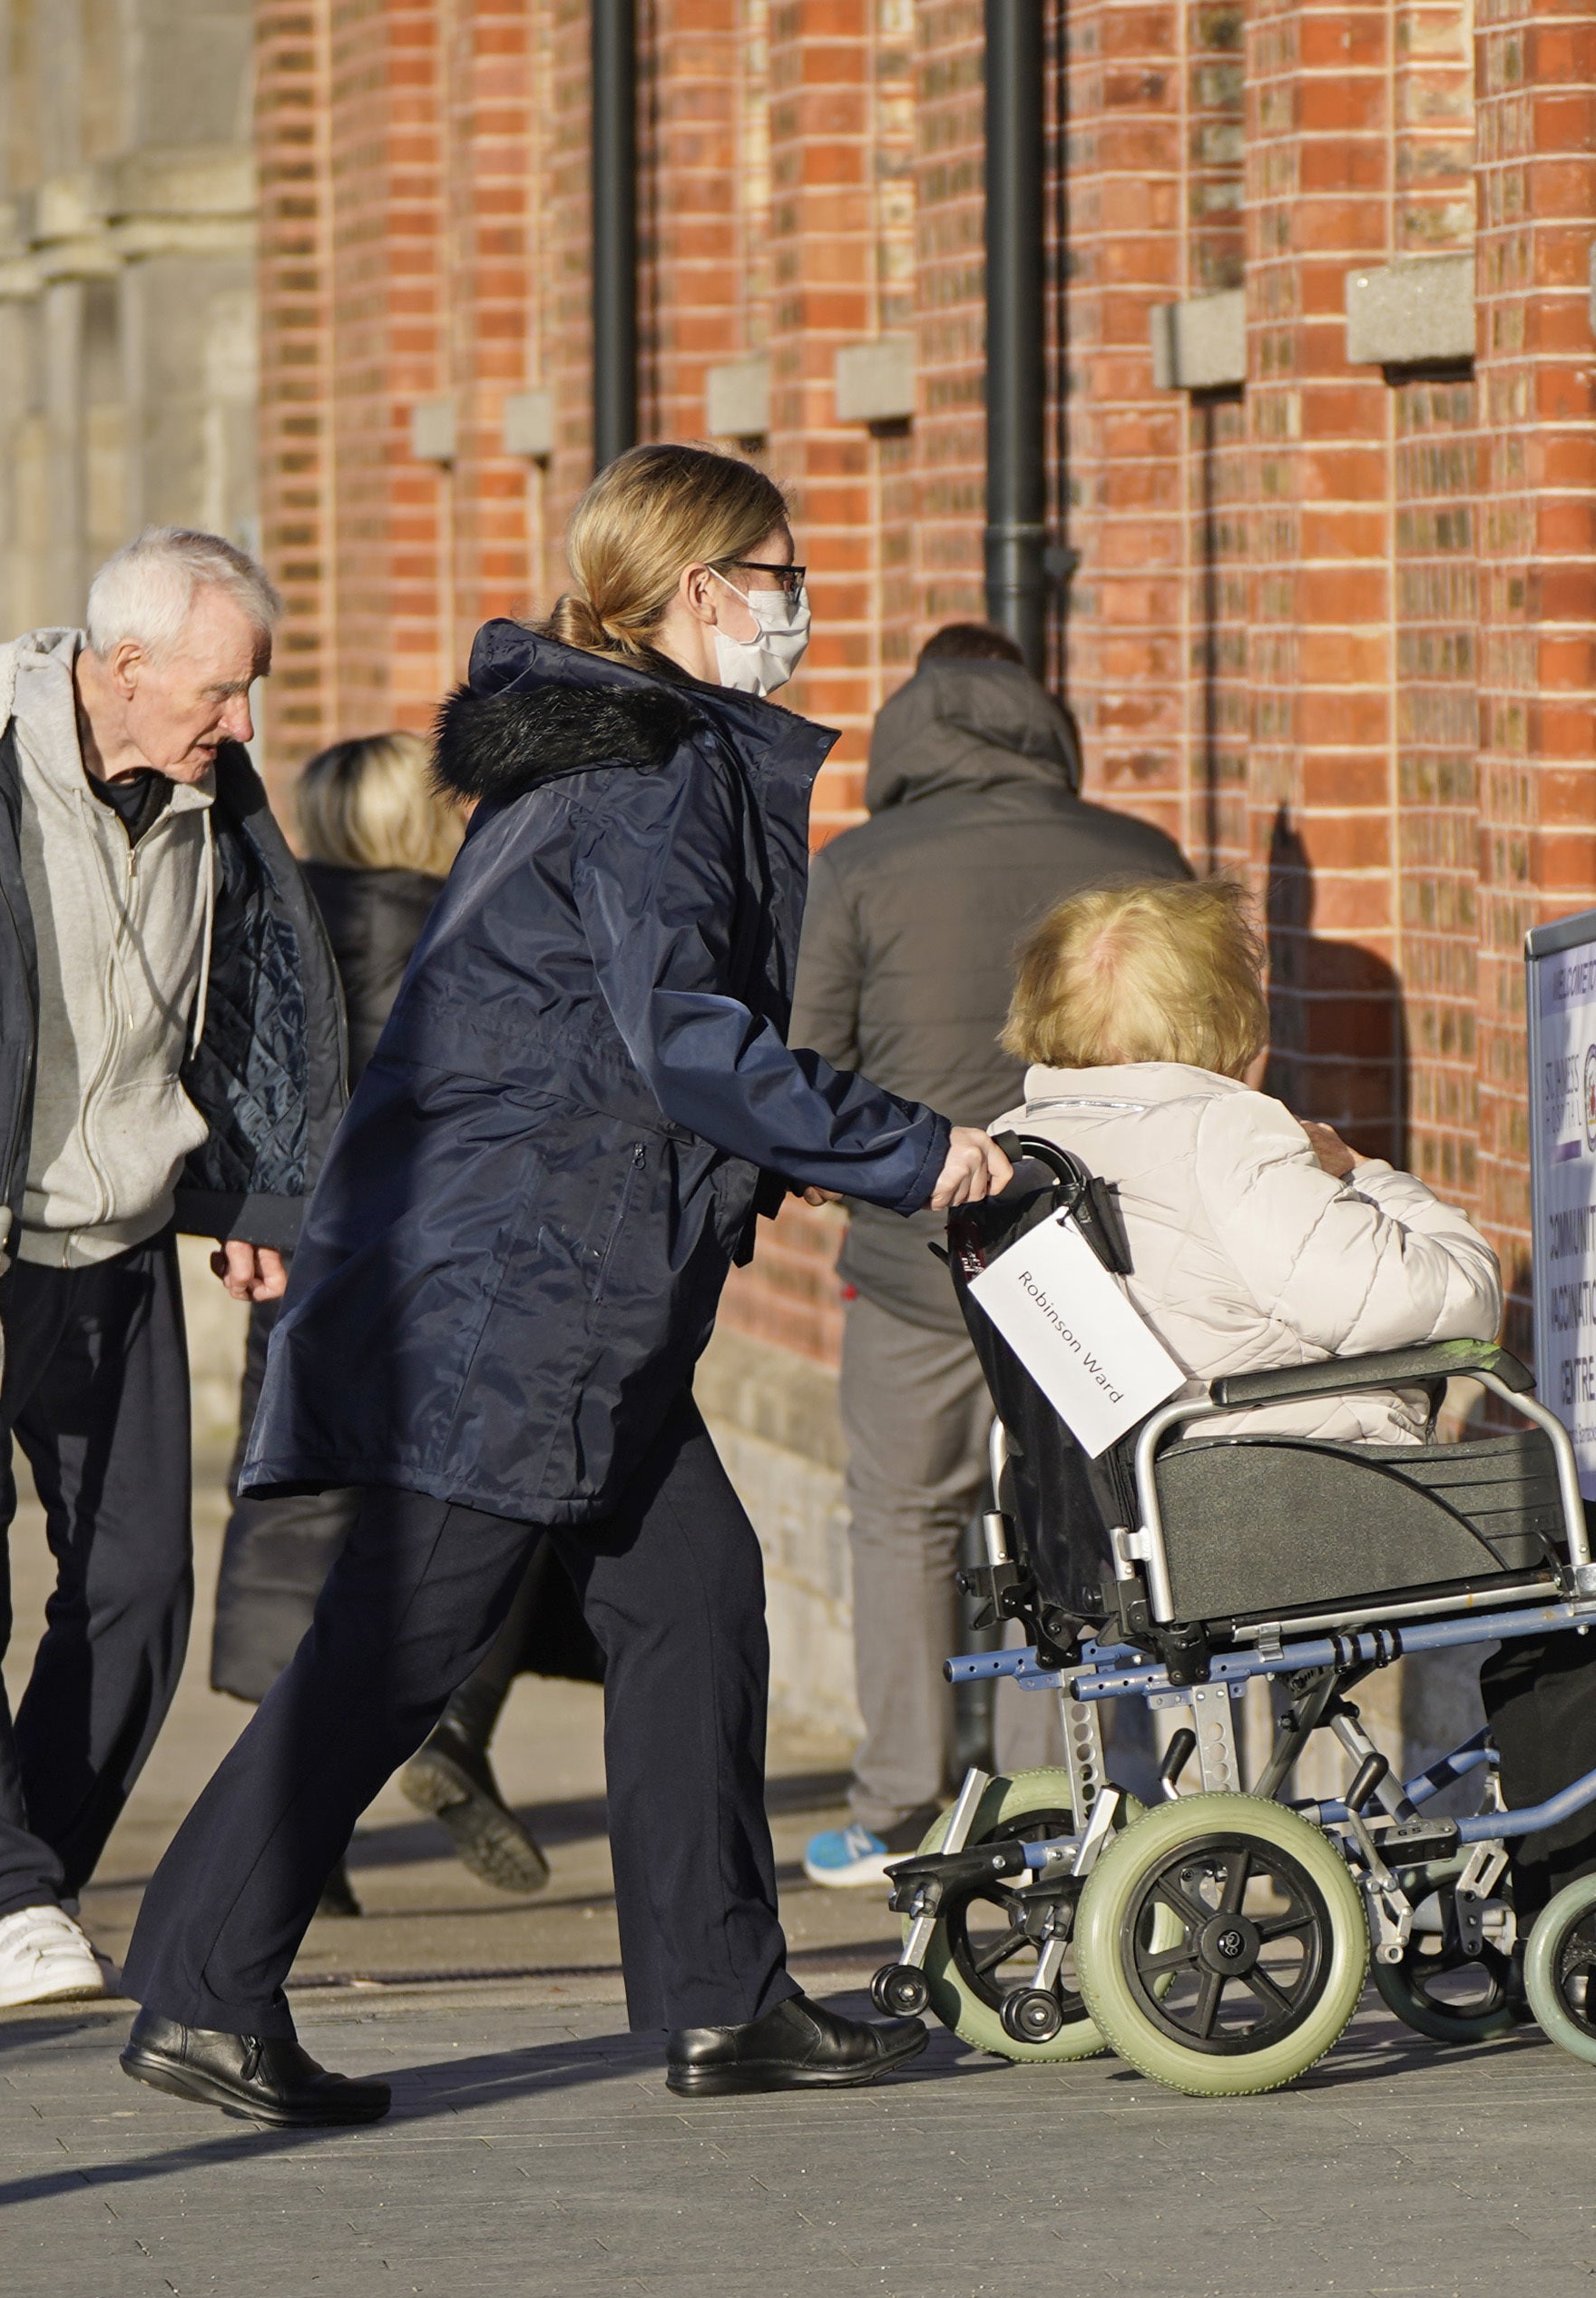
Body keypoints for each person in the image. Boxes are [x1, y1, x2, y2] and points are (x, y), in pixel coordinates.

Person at [114, 442, 1013, 2128]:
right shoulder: (647, 778)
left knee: (691, 1599)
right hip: (530, 1289)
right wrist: (913, 1150)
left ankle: (721, 1997)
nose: (794, 606)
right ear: (693, 593)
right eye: (773, 575)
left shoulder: (624, 758)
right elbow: (691, 1044)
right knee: (403, 1639)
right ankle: (203, 1983)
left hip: (565, 1279)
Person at [984, 879, 1596, 2017]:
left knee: (1555, 1547)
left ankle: (1560, 1894)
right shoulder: (1222, 1130)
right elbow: (1431, 1300)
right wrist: (1356, 1171)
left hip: (1116, 1526)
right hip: (1279, 1501)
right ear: (1223, 1016)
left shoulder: (1016, 1142)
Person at [0, 528, 346, 2013]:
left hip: (122, 1237)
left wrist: (249, 1189)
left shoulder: (209, 785)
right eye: (220, 691)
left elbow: (253, 986)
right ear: (127, 663)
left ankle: (21, 1871)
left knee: (142, 1583)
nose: (241, 722)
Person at [787, 621, 1189, 1890]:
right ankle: (1058, 1799)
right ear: (1041, 717)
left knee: (904, 1517)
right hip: (1099, 1269)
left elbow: (803, 1069)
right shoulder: (1139, 856)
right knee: (1081, 1528)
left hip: (917, 1265)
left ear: (908, 727)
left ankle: (901, 1800)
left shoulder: (853, 867)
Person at [210, 732, 552, 1904]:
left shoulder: (267, 926)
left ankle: (295, 1828)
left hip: (309, 1254)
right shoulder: (484, 925)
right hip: (455, 1259)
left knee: (298, 1516)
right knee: (483, 1505)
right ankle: (452, 1718)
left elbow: (232, 1086)